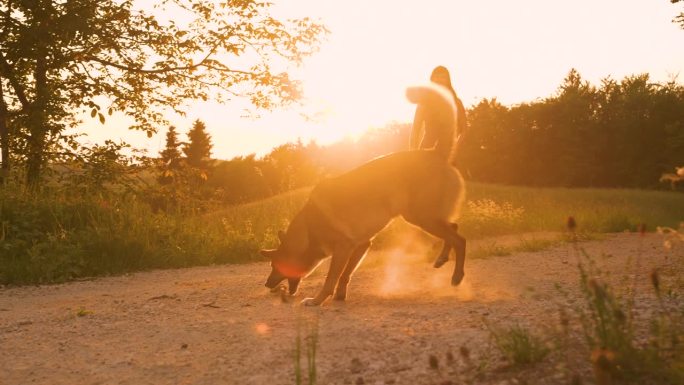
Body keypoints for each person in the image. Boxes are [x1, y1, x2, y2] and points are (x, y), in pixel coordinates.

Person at [409, 65, 467, 157]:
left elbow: (464, 130)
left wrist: (455, 148)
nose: (439, 79)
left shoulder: (456, 102)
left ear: (448, 80)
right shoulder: (423, 103)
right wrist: (413, 154)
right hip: (426, 150)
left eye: (443, 77)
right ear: (432, 80)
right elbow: (415, 130)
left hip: (449, 152)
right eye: (437, 77)